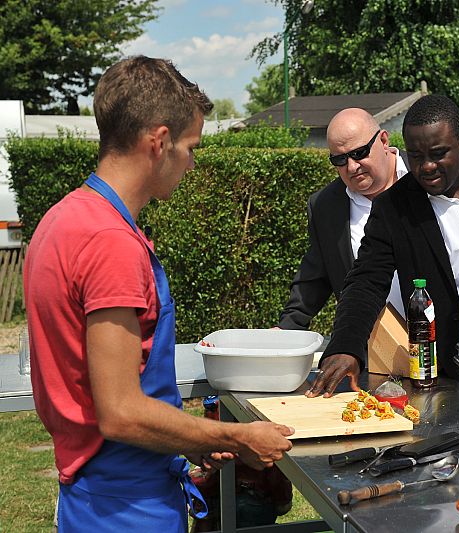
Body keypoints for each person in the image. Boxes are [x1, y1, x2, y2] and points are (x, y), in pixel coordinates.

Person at [23, 56, 293, 532]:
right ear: (160, 141)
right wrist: (236, 435)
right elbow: (121, 413)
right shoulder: (110, 243)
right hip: (126, 507)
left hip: (99, 494)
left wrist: (192, 442)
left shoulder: (63, 218)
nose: (191, 163)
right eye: (191, 147)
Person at [308, 95, 459, 396]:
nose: (426, 167)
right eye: (415, 156)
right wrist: (346, 346)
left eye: (438, 154)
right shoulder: (394, 207)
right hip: (457, 375)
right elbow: (365, 281)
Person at [278, 108, 408, 329]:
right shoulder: (326, 206)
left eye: (359, 153)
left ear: (384, 140)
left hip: (444, 344)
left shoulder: (427, 175)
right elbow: (314, 278)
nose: (352, 167)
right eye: (339, 159)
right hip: (370, 352)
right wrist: (287, 330)